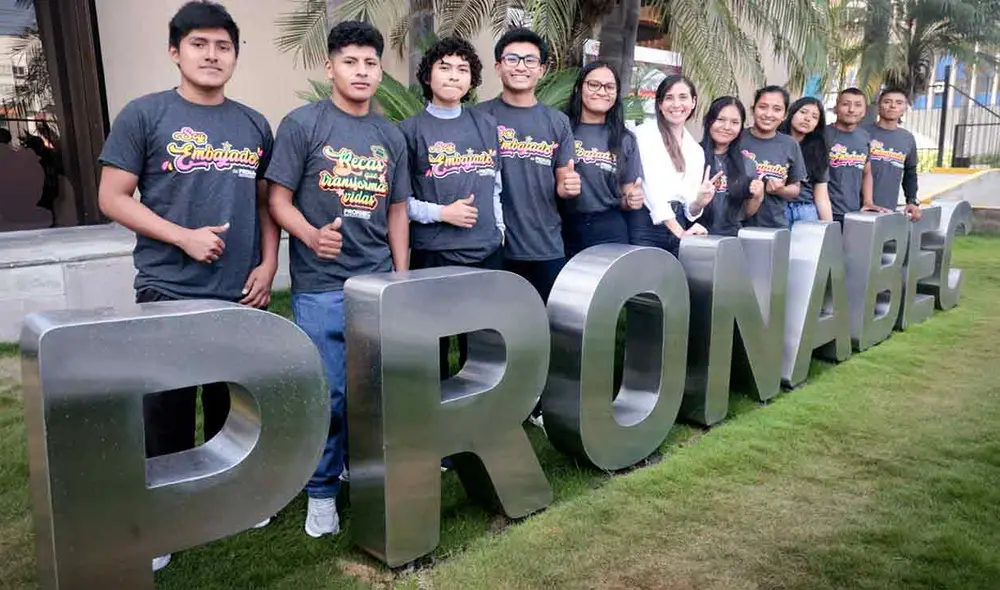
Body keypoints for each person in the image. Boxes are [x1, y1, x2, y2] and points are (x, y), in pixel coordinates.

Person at [96, 1, 278, 571]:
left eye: (223, 46)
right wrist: (183, 237)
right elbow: (112, 197)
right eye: (199, 44)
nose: (212, 55)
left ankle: (234, 498)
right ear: (175, 52)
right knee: (168, 409)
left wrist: (269, 266)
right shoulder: (144, 115)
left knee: (235, 402)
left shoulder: (253, 124)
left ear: (235, 56)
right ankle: (163, 523)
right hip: (169, 286)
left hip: (237, 290)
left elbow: (265, 203)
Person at [265, 21, 410, 540]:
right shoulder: (303, 124)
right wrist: (309, 235)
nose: (362, 71)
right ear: (330, 67)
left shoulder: (390, 135)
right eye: (350, 61)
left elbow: (397, 211)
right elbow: (276, 199)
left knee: (371, 393)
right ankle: (321, 492)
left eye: (371, 63)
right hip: (321, 284)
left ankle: (359, 470)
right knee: (327, 395)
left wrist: (401, 274)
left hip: (376, 285)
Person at [401, 36, 504, 378]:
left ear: (472, 80)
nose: (453, 76)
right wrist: (442, 213)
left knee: (482, 346)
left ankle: (477, 418)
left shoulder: (487, 125)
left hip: (486, 253)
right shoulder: (409, 131)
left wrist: (500, 229)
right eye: (444, 67)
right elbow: (399, 203)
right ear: (427, 76)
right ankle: (435, 419)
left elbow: (496, 184)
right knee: (435, 346)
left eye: (463, 69)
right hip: (435, 255)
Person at [477, 28, 578, 302]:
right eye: (512, 59)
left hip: (544, 246)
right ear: (498, 67)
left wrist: (569, 187)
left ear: (542, 70)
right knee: (488, 332)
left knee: (542, 329)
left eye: (530, 60)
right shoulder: (477, 117)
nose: (521, 66)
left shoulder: (558, 122)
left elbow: (563, 181)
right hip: (492, 246)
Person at [560, 60, 644, 256]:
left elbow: (627, 194)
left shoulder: (625, 139)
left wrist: (632, 199)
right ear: (579, 89)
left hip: (608, 228)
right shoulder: (560, 129)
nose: (602, 91)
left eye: (609, 87)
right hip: (563, 227)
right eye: (593, 84)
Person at [630, 74, 717, 255]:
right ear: (660, 104)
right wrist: (680, 232)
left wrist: (700, 202)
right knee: (644, 282)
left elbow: (690, 210)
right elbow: (650, 188)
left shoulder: (695, 150)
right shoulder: (643, 135)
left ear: (693, 102)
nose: (676, 104)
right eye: (669, 98)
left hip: (679, 225)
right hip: (646, 226)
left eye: (683, 97)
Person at [741, 85, 807, 229]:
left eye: (777, 109)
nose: (768, 114)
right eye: (763, 107)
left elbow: (796, 188)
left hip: (775, 226)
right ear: (753, 110)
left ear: (784, 115)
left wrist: (781, 190)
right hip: (737, 225)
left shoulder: (790, 144)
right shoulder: (737, 139)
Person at [699, 96, 764, 236]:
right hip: (695, 236)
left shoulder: (747, 163)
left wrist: (757, 197)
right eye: (720, 120)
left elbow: (745, 213)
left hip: (731, 240)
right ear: (709, 121)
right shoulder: (692, 156)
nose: (727, 127)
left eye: (735, 122)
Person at [826, 87, 884, 223]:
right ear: (835, 108)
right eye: (846, 104)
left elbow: (867, 172)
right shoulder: (823, 135)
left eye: (858, 105)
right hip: (825, 211)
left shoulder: (864, 136)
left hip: (854, 212)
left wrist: (868, 201)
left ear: (864, 111)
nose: (851, 110)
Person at [865, 87, 922, 221]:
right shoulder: (863, 133)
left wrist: (912, 200)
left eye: (899, 103)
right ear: (879, 105)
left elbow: (910, 172)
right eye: (887, 101)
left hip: (887, 208)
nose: (892, 106)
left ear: (904, 108)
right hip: (858, 206)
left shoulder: (907, 139)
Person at [778, 97, 834, 225]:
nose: (807, 118)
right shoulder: (775, 142)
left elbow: (821, 196)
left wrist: (829, 228)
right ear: (791, 113)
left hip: (806, 211)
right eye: (803, 112)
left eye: (814, 117)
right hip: (777, 208)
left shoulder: (819, 151)